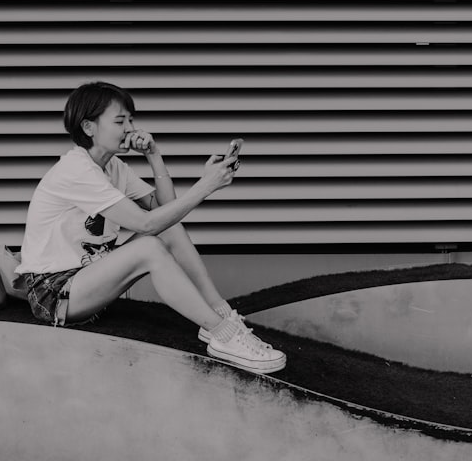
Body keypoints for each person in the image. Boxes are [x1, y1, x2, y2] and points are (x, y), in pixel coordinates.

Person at [15, 81, 285, 374]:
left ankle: (220, 316)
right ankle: (222, 335)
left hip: (88, 280)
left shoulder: (113, 166)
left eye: (131, 119)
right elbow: (145, 223)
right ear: (89, 127)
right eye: (120, 121)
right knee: (148, 246)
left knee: (168, 231)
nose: (131, 128)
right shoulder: (76, 170)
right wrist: (205, 186)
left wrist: (154, 155)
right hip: (55, 295)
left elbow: (164, 211)